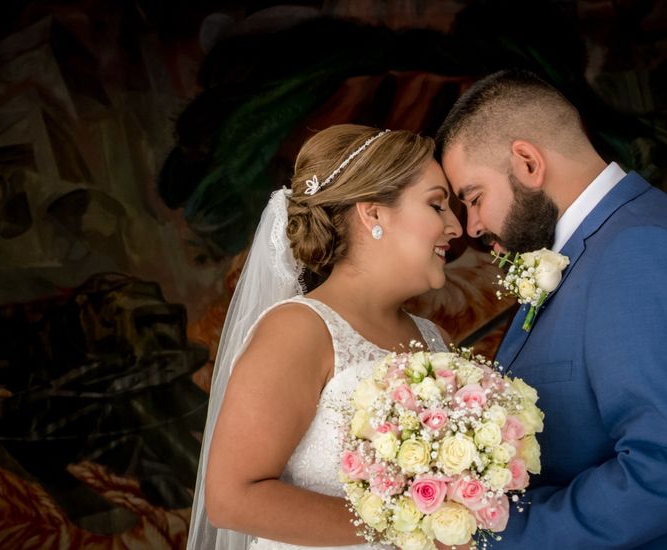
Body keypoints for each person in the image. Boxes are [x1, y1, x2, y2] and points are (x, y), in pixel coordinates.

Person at [436, 69, 667, 548]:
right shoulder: (595, 249)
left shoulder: (644, 252)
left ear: (527, 163)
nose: (471, 226)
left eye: (474, 198)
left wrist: (507, 534)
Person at [186, 124, 463, 549]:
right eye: (437, 205)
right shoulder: (299, 330)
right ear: (373, 213)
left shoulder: (434, 339)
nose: (456, 228)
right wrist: (409, 527)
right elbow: (232, 498)